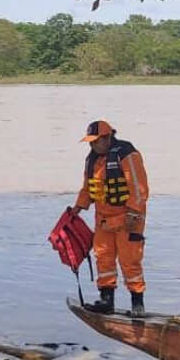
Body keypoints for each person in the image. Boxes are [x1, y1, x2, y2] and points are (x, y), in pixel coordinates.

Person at [70, 120, 150, 317]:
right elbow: (87, 188)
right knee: (103, 258)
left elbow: (138, 187)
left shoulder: (126, 154)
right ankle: (107, 301)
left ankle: (137, 304)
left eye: (95, 141)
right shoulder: (92, 160)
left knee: (130, 261)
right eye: (90, 142)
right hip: (104, 219)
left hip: (128, 218)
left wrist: (133, 213)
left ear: (107, 138)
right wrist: (78, 208)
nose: (92, 145)